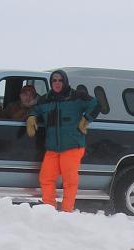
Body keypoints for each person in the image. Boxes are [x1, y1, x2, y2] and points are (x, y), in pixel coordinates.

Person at [26, 69, 100, 212]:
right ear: (51, 82)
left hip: (72, 146)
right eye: (54, 80)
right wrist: (31, 117)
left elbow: (96, 104)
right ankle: (49, 209)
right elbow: (35, 109)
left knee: (69, 181)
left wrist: (86, 119)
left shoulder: (77, 96)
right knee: (46, 178)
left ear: (65, 81)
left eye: (60, 80)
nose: (57, 83)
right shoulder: (45, 99)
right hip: (52, 147)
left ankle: (67, 211)